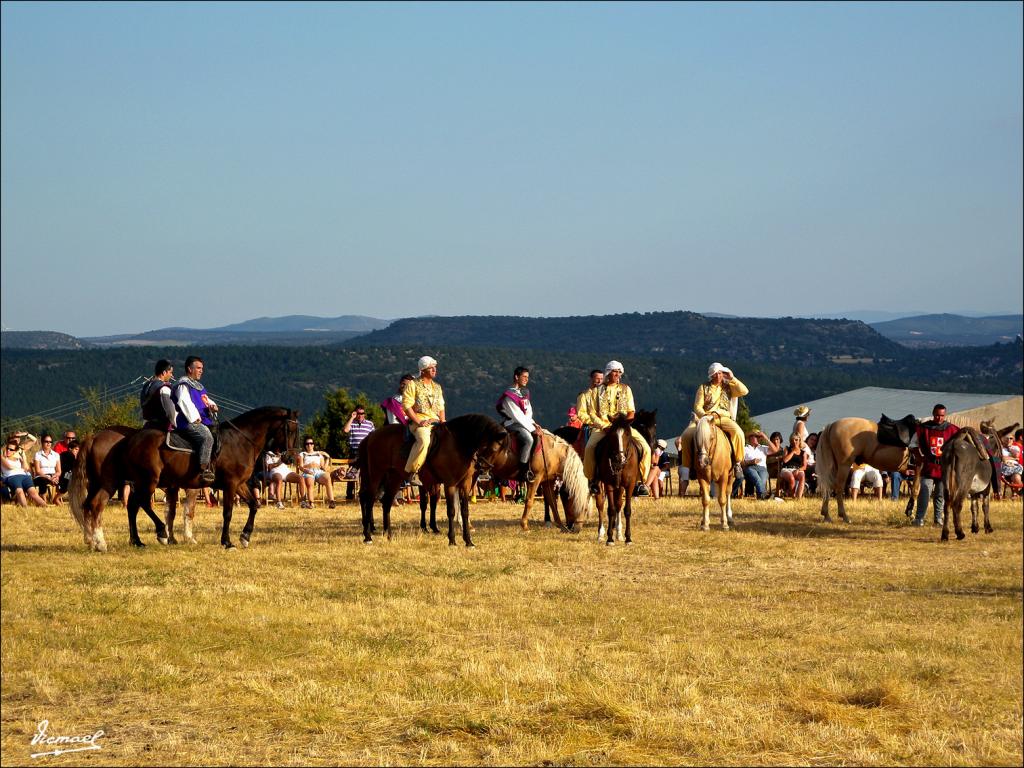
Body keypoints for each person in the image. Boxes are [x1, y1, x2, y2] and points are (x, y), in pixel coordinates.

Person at [582, 360, 651, 495]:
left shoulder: (626, 389)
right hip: (604, 426)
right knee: (589, 448)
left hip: (622, 426)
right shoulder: (597, 391)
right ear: (608, 372)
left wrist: (625, 424)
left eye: (619, 372)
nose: (618, 374)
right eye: (615, 371)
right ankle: (593, 480)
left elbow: (631, 411)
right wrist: (604, 426)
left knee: (646, 448)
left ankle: (641, 482)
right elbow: (591, 413)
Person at [678, 362, 749, 476]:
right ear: (711, 376)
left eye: (720, 373)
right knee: (687, 435)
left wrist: (732, 377)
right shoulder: (703, 387)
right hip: (706, 417)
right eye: (715, 374)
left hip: (723, 418)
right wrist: (704, 416)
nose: (718, 376)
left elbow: (744, 391)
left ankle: (737, 463)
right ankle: (689, 466)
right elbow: (697, 406)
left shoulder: (729, 385)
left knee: (739, 433)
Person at [912, 403, 960, 526]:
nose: (940, 418)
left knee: (940, 493)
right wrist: (920, 457)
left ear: (945, 415)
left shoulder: (952, 430)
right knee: (925, 491)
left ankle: (938, 519)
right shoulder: (923, 428)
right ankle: (919, 519)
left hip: (944, 467)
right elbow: (913, 445)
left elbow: (960, 446)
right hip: (929, 465)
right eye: (937, 415)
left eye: (942, 415)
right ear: (933, 414)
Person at [174, 356, 219, 483]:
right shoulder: (183, 385)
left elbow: (205, 400)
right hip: (188, 421)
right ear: (189, 369)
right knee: (207, 437)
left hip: (204, 420)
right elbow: (184, 401)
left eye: (202, 368)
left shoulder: (199, 386)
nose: (201, 371)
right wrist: (194, 418)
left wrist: (212, 406)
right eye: (198, 368)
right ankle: (203, 469)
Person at [403, 355, 446, 486]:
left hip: (436, 422)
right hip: (419, 422)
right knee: (424, 439)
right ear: (423, 370)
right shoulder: (413, 384)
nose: (434, 370)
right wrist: (419, 422)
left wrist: (443, 422)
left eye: (435, 367)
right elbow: (407, 406)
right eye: (431, 367)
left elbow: (441, 406)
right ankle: (412, 472)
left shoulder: (437, 387)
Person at [497, 366, 543, 482]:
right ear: (516, 377)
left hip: (524, 422)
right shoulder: (509, 395)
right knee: (528, 439)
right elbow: (517, 415)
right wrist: (532, 429)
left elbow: (528, 413)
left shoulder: (524, 393)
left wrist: (534, 424)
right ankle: (523, 470)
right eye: (524, 377)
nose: (527, 379)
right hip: (512, 423)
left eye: (528, 377)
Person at [3, 437, 47, 507]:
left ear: (15, 451)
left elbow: (25, 468)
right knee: (20, 492)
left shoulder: (18, 458)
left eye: (11, 449)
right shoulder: (3, 458)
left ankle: (46, 507)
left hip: (24, 476)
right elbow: (9, 467)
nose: (8, 450)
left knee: (33, 493)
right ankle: (25, 510)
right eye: (7, 448)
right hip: (12, 477)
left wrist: (23, 460)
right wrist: (18, 467)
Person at [343, 406, 375, 500]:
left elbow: (373, 436)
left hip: (366, 451)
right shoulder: (352, 423)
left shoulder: (370, 424)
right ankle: (350, 495)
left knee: (366, 473)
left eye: (362, 413)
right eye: (358, 413)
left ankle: (365, 493)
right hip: (354, 451)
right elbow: (345, 430)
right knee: (351, 474)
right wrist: (352, 417)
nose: (361, 415)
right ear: (356, 414)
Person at [140, 359, 178, 431]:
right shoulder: (164, 388)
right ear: (164, 372)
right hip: (162, 427)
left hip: (147, 425)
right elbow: (171, 412)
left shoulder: (146, 385)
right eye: (170, 372)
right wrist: (177, 426)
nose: (172, 375)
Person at [298, 437, 335, 509]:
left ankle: (332, 501)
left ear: (313, 445)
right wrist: (306, 470)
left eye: (311, 443)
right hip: (308, 470)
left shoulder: (318, 454)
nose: (309, 445)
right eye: (307, 444)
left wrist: (327, 458)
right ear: (305, 445)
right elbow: (300, 467)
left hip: (318, 471)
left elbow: (323, 467)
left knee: (327, 478)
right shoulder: (302, 454)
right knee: (309, 483)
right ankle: (311, 503)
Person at [740, 431, 771, 500]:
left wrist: (765, 437)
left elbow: (775, 450)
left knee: (761, 481)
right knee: (758, 480)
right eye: (755, 436)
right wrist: (751, 462)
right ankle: (763, 495)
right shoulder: (745, 448)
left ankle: (760, 496)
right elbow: (741, 462)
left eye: (758, 437)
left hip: (762, 468)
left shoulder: (763, 448)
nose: (757, 438)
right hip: (750, 467)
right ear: (749, 438)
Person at [31, 434, 62, 503]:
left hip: (53, 476)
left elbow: (59, 471)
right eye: (46, 441)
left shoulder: (56, 455)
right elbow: (38, 471)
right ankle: (43, 501)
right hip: (41, 476)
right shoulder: (38, 454)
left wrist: (55, 476)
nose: (48, 443)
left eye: (50, 442)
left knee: (64, 480)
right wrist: (48, 477)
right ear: (42, 442)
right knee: (42, 481)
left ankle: (56, 499)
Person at [778, 434, 808, 499]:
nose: (794, 441)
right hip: (786, 469)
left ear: (800, 440)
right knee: (791, 478)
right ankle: (793, 496)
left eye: (796, 440)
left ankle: (798, 497)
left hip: (797, 469)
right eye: (792, 440)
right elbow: (785, 460)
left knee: (802, 476)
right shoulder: (787, 449)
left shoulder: (803, 452)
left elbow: (804, 466)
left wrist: (798, 470)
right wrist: (793, 452)